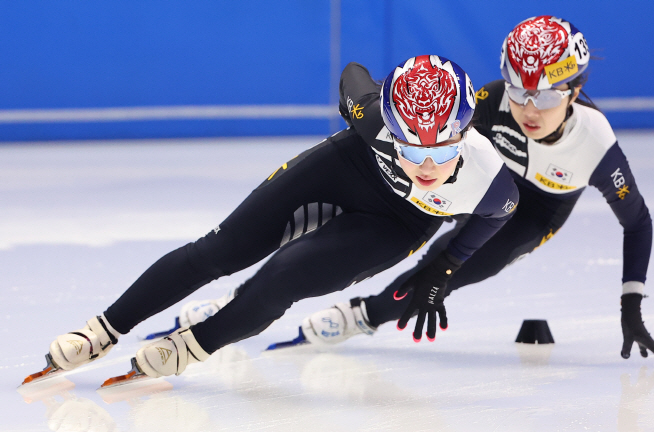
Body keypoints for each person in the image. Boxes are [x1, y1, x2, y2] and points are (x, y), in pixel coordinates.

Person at [180, 16, 654, 364]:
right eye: (517, 87)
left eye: (545, 95)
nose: (527, 106)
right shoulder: (490, 100)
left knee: (444, 275)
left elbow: (638, 222)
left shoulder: (594, 142)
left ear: (574, 89)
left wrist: (631, 303)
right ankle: (246, 298)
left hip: (533, 210)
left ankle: (362, 317)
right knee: (347, 230)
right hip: (472, 185)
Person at [32, 55, 519, 382]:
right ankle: (103, 329)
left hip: (397, 223)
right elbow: (354, 72)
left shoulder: (491, 183)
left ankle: (191, 348)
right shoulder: (371, 120)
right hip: (348, 168)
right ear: (391, 125)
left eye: (445, 147)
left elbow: (494, 219)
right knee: (217, 251)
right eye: (412, 146)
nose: (428, 165)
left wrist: (446, 265)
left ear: (467, 129)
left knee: (283, 277)